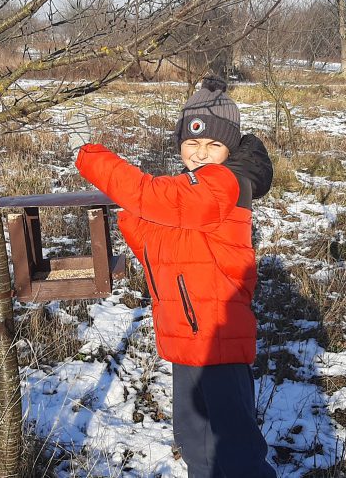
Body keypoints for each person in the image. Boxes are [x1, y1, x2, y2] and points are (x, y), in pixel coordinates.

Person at [75, 76, 276, 477]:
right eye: (192, 143)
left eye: (213, 145)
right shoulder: (197, 187)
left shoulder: (224, 183)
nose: (201, 154)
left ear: (230, 148)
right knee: (199, 446)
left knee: (232, 453)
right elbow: (157, 241)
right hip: (189, 334)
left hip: (213, 338)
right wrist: (138, 214)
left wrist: (90, 156)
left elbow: (151, 198)